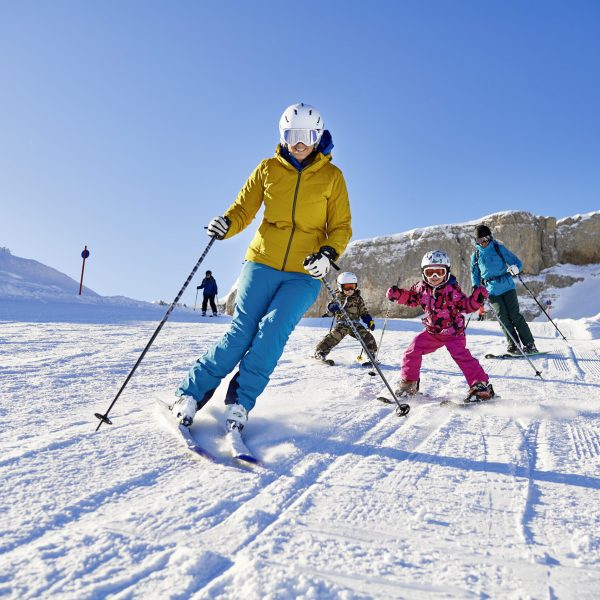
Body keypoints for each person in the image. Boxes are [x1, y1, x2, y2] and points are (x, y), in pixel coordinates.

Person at [172, 103, 352, 431]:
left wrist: (327, 253)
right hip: (262, 262)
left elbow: (341, 226)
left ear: (318, 136)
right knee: (241, 333)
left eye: (306, 136)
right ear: (282, 137)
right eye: (291, 136)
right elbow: (244, 209)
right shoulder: (268, 169)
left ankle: (240, 403)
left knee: (272, 333)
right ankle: (190, 394)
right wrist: (226, 223)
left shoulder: (332, 177)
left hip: (304, 271)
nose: (298, 144)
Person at [386, 250, 494, 400]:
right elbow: (411, 298)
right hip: (432, 332)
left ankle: (480, 386)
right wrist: (398, 295)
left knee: (461, 356)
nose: (434, 277)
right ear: (424, 273)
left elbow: (465, 306)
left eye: (439, 272)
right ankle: (409, 384)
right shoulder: (421, 288)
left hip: (453, 332)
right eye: (430, 272)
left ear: (447, 273)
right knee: (412, 350)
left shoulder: (452, 290)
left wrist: (476, 299)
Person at [470, 224, 538, 354]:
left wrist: (516, 268)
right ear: (476, 241)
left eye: (485, 239)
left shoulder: (498, 248)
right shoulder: (476, 255)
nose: (483, 242)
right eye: (479, 240)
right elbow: (475, 274)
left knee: (514, 315)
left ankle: (530, 344)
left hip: (507, 286)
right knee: (502, 317)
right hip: (491, 290)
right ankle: (514, 345)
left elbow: (517, 262)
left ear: (490, 237)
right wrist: (476, 287)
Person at [314, 271, 376, 364]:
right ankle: (320, 352)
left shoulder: (358, 298)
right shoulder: (338, 297)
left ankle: (371, 355)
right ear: (340, 286)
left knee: (367, 337)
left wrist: (369, 321)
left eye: (353, 286)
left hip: (355, 323)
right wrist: (333, 307)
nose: (350, 290)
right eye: (347, 287)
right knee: (334, 336)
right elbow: (330, 308)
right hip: (342, 324)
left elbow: (364, 312)